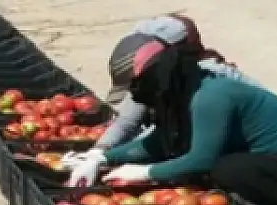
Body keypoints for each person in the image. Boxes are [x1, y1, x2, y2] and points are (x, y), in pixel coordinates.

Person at [67, 34, 277, 205]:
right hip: (273, 165)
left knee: (226, 169)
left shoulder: (210, 97)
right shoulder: (186, 91)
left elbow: (201, 159)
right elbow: (160, 143)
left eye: (136, 87)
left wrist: (145, 172)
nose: (136, 96)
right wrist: (102, 158)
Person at [78, 15, 259, 161]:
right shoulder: (157, 80)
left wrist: (111, 158)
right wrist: (99, 150)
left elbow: (170, 139)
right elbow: (128, 120)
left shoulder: (209, 79)